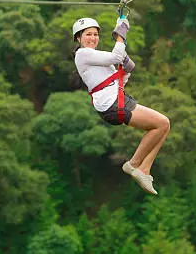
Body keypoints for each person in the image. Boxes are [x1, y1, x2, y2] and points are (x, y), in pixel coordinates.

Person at [72, 17, 170, 195]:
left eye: (95, 34)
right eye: (88, 34)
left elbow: (118, 80)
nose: (92, 38)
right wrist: (120, 35)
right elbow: (116, 56)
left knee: (162, 126)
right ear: (78, 38)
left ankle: (144, 169)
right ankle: (133, 165)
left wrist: (126, 71)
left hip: (116, 101)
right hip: (112, 104)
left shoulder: (96, 56)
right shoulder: (83, 54)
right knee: (162, 123)